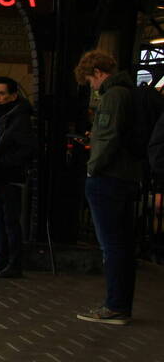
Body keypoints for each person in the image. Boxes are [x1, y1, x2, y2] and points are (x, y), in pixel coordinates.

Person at [73, 50, 141, 325]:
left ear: (98, 73)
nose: (92, 85)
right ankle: (121, 304)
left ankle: (114, 306)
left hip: (108, 178)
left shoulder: (113, 96)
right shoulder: (130, 93)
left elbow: (109, 136)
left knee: (111, 245)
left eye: (90, 80)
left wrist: (93, 167)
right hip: (126, 176)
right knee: (123, 245)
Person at [0, 76, 35, 278]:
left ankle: (14, 263)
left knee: (10, 220)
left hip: (10, 175)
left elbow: (26, 148)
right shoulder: (0, 115)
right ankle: (1, 259)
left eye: (2, 93)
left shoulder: (20, 118)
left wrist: (3, 161)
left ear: (13, 95)